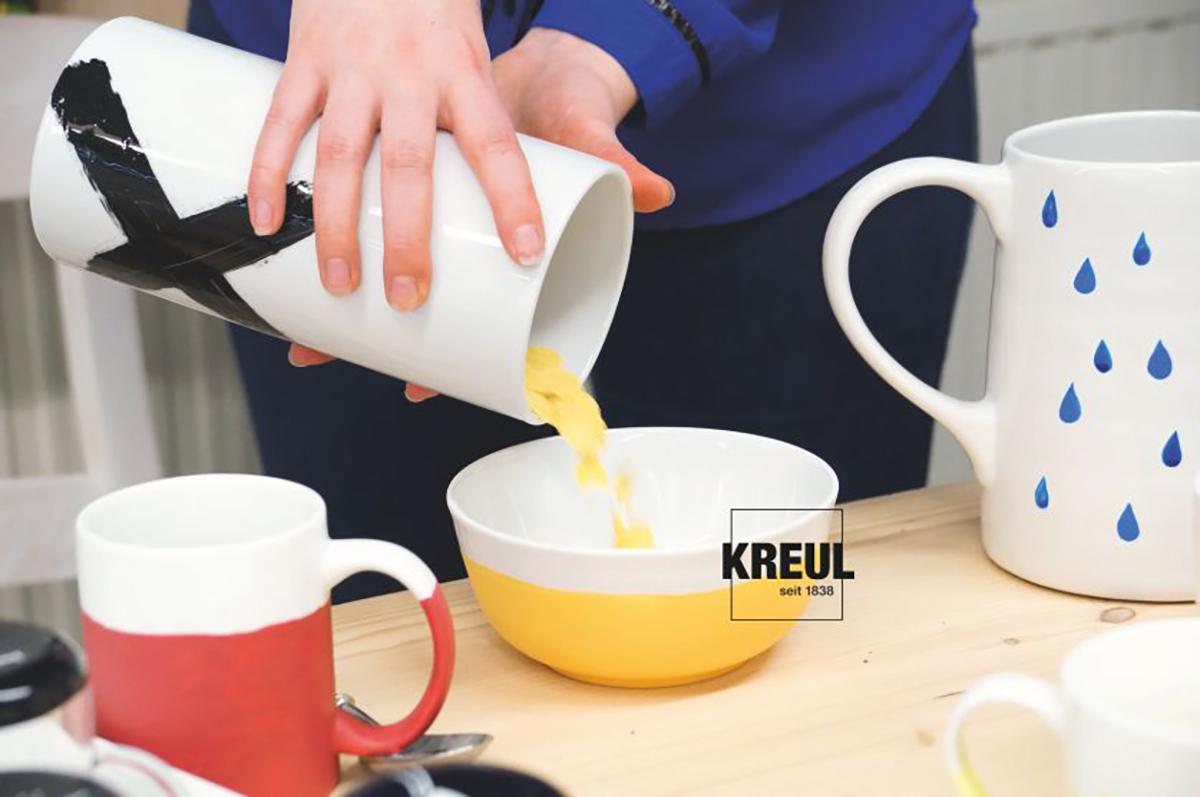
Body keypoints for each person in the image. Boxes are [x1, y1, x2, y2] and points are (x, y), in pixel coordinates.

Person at [188, 0, 978, 599]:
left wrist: (621, 31)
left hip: (796, 117)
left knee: (785, 603)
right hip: (349, 118)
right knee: (394, 611)